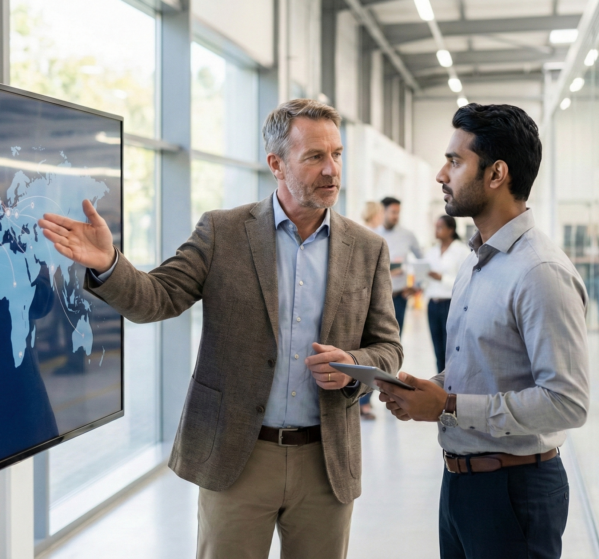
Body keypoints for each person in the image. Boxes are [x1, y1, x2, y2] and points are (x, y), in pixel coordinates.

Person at [38, 99, 403, 559]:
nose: (331, 169)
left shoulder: (368, 248)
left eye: (337, 154)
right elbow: (158, 298)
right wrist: (110, 264)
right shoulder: (223, 231)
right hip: (238, 454)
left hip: (326, 459)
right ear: (276, 163)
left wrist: (355, 366)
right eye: (314, 156)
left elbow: (388, 347)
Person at [377, 103, 590, 559]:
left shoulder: (541, 272)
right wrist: (427, 388)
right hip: (460, 483)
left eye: (455, 161)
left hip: (514, 490)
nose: (441, 174)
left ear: (496, 174)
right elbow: (479, 366)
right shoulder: (474, 261)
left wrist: (449, 405)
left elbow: (567, 402)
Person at [425, 215, 467, 373]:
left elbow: (464, 279)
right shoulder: (432, 251)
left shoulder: (461, 250)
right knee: (438, 348)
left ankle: (453, 383)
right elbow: (426, 276)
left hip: (450, 304)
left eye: (440, 227)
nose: (437, 230)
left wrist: (442, 277)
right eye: (436, 227)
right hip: (432, 304)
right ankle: (440, 382)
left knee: (451, 347)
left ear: (451, 230)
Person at [375, 196, 423, 332]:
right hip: (376, 297)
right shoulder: (372, 234)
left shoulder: (407, 235)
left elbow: (422, 260)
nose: (396, 216)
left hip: (399, 297)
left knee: (395, 337)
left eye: (398, 212)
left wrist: (417, 285)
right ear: (383, 212)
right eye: (393, 212)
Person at [357, 201, 386, 419]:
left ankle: (362, 400)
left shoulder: (354, 233)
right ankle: (364, 402)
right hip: (370, 301)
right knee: (375, 350)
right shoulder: (373, 239)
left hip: (360, 302)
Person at [583, 223, 599, 330]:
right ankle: (587, 324)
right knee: (586, 302)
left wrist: (591, 258)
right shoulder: (586, 243)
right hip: (588, 276)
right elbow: (584, 258)